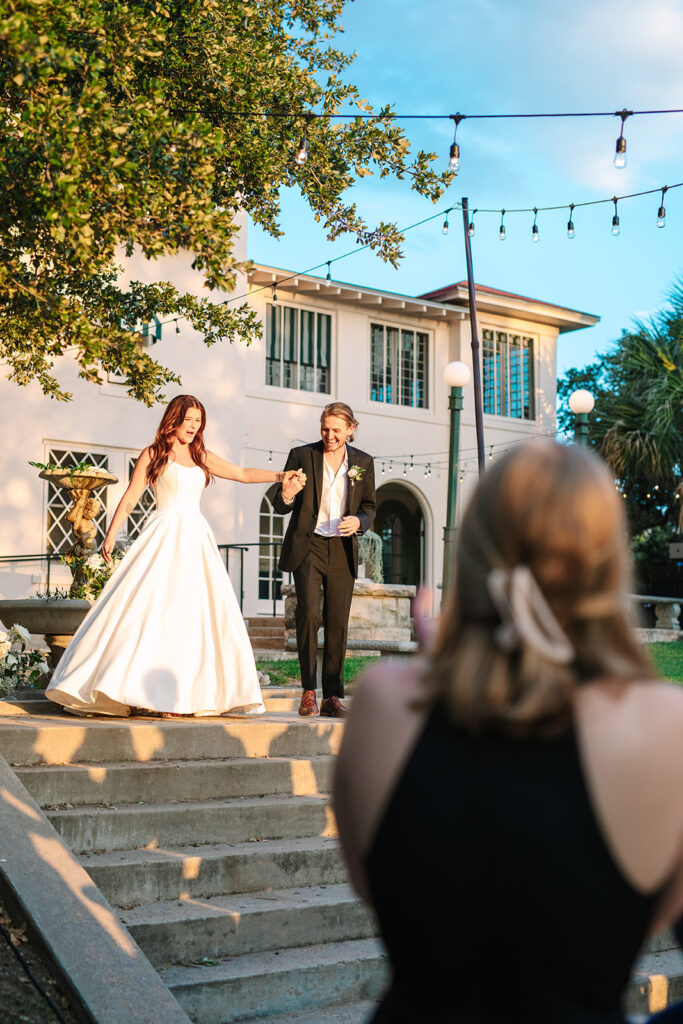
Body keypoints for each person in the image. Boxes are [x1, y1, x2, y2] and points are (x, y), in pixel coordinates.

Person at [334, 440, 683, 1024]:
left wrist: (439, 667)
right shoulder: (664, 724)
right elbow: (646, 913)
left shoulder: (385, 703)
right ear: (605, 560)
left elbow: (376, 885)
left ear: (473, 547)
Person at [46, 395, 305, 718]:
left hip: (195, 538)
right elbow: (130, 497)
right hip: (163, 534)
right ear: (175, 419)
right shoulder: (153, 453)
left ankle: (183, 698)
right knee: (150, 613)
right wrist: (110, 534)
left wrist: (280, 477)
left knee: (191, 616)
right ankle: (137, 692)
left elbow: (240, 473)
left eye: (199, 421)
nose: (194, 427)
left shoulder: (200, 456)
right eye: (189, 420)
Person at [273, 402, 376, 718]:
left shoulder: (363, 462)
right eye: (324, 428)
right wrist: (288, 494)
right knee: (309, 615)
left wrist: (358, 522)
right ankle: (308, 693)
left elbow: (370, 507)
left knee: (337, 623)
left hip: (342, 550)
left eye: (335, 429)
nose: (329, 435)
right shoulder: (302, 456)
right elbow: (281, 504)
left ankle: (332, 696)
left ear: (350, 429)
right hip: (309, 547)